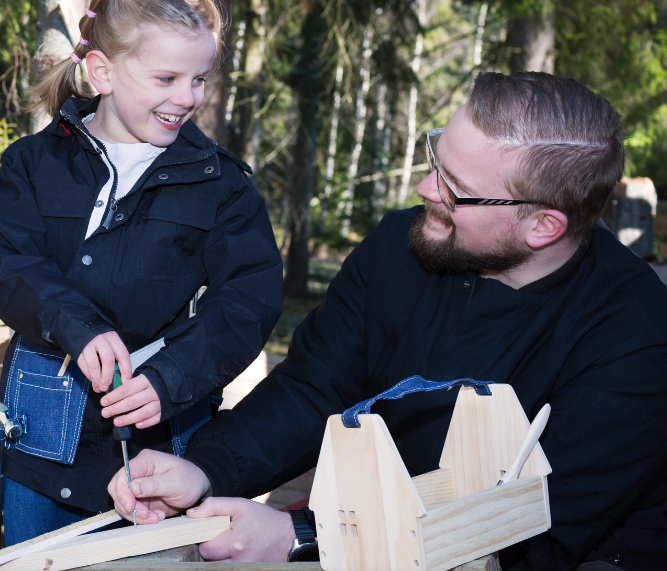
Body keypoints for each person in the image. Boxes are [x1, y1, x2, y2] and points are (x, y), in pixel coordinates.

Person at [110, 72, 667, 571]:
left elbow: (532, 531)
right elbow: (314, 389)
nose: (426, 190)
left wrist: (307, 536)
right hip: (377, 526)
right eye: (435, 160)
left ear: (542, 226)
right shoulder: (399, 249)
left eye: (455, 188)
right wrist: (206, 468)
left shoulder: (636, 335)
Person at [0, 0, 282, 545]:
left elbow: (247, 300)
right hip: (36, 452)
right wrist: (77, 325)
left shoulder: (222, 186)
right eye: (167, 77)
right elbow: (9, 258)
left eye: (199, 78)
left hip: (156, 458)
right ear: (103, 72)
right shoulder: (30, 165)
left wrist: (171, 378)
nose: (188, 97)